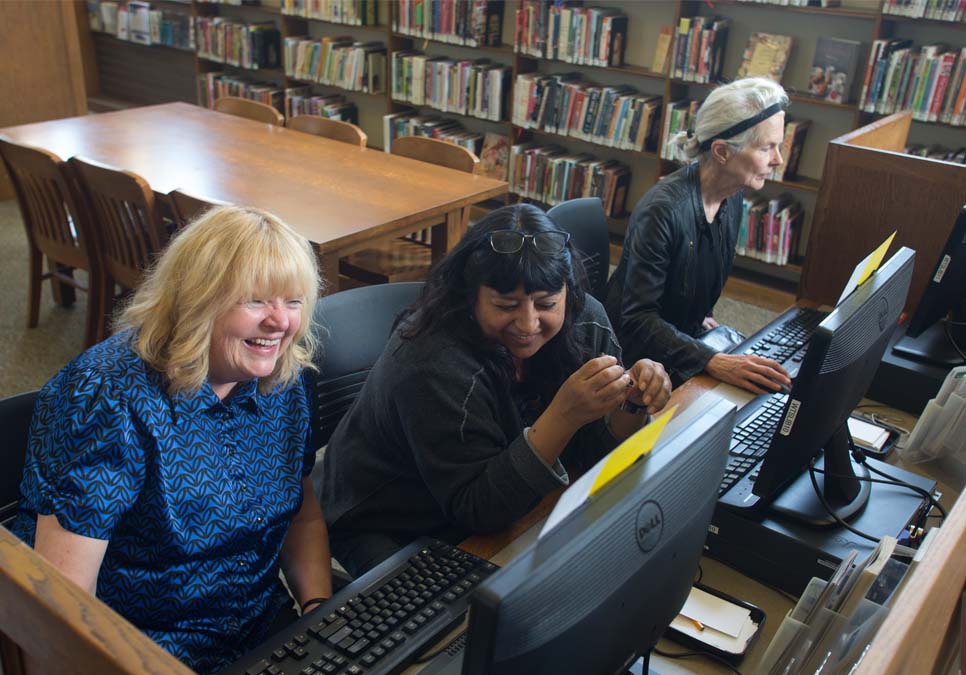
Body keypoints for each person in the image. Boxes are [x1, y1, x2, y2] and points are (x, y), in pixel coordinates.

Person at [12, 206, 332, 674]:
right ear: (199, 300)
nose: (280, 322)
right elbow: (65, 604)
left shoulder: (286, 380)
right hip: (143, 649)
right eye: (256, 301)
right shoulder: (109, 397)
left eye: (294, 301)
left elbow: (302, 518)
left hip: (262, 630)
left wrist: (319, 614)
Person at [320, 204, 672, 578]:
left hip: (496, 487)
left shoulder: (587, 322)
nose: (528, 323)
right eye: (506, 305)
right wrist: (563, 416)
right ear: (469, 295)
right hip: (389, 515)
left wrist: (630, 406)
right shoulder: (432, 363)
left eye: (547, 304)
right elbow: (478, 511)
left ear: (567, 291)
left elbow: (592, 455)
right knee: (453, 624)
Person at [604, 77, 793, 394]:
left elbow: (696, 275)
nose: (778, 160)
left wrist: (700, 316)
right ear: (721, 152)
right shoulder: (662, 211)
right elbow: (636, 319)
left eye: (779, 146)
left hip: (680, 340)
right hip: (634, 359)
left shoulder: (733, 194)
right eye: (766, 148)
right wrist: (712, 360)